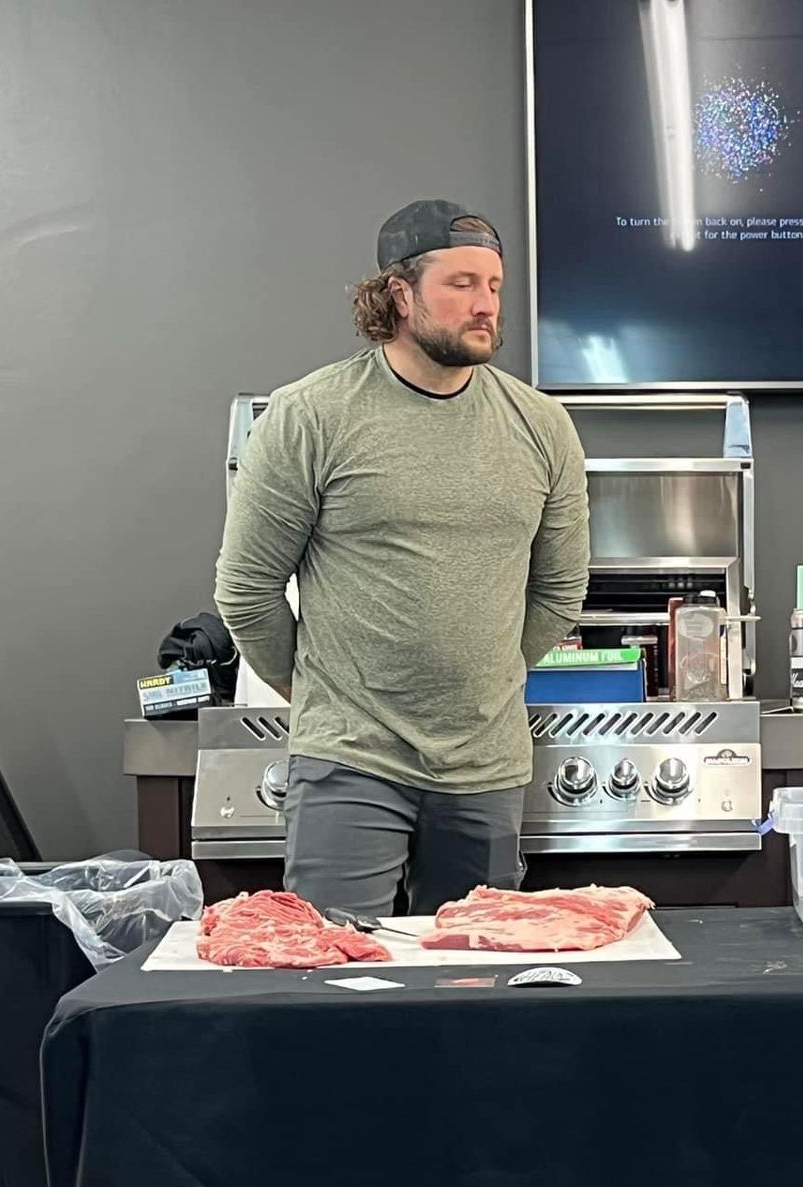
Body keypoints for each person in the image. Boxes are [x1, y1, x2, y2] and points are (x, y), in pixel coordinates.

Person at [215, 199, 590, 915]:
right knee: (338, 989)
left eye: (494, 285)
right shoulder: (311, 416)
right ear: (398, 294)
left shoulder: (541, 426)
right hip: (351, 760)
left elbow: (560, 590)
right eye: (462, 284)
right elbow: (247, 588)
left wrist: (487, 673)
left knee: (472, 991)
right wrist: (319, 694)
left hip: (486, 767)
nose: (486, 305)